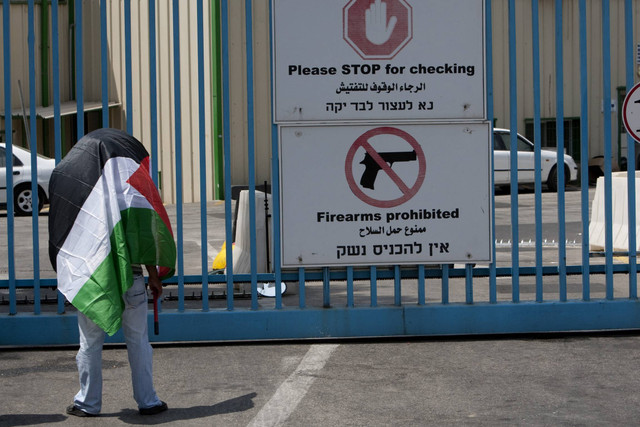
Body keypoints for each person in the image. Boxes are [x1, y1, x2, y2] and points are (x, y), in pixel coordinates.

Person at [48, 128, 176, 417]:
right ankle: (148, 401)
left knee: (90, 342)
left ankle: (87, 403)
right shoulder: (130, 187)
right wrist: (153, 275)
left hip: (93, 276)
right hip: (132, 276)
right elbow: (144, 236)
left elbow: (63, 232)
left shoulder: (68, 178)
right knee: (138, 340)